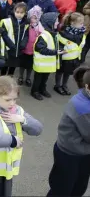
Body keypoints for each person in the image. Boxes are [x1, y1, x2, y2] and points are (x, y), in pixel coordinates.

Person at [47, 66, 90, 197]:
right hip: (70, 154)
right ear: (87, 87)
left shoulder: (85, 95)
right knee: (61, 190)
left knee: (78, 188)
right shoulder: (82, 107)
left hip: (82, 153)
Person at [31, 12, 64, 100]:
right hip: (41, 63)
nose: (58, 23)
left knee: (45, 78)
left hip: (47, 64)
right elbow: (40, 49)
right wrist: (56, 52)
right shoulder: (44, 36)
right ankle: (35, 91)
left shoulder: (54, 34)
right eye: (56, 21)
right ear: (50, 23)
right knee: (38, 79)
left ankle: (42, 89)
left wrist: (59, 50)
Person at [55, 12, 86, 96]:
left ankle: (64, 85)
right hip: (64, 58)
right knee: (60, 72)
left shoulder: (81, 33)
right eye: (81, 23)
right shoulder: (63, 33)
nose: (83, 25)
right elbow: (60, 45)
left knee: (67, 72)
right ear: (72, 23)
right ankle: (57, 86)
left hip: (74, 57)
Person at [0, 2, 29, 76]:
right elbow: (4, 35)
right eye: (17, 12)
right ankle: (2, 78)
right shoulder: (7, 21)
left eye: (21, 13)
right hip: (8, 49)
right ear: (14, 11)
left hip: (18, 49)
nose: (19, 14)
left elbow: (26, 35)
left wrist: (23, 44)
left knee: (13, 65)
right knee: (5, 65)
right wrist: (11, 45)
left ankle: (10, 78)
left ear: (25, 13)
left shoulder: (26, 23)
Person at [18, 5, 43, 86]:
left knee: (30, 66)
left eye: (35, 18)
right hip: (24, 49)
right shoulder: (26, 25)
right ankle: (20, 77)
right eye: (32, 17)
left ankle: (28, 78)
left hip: (33, 50)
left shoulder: (40, 27)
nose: (33, 20)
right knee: (22, 65)